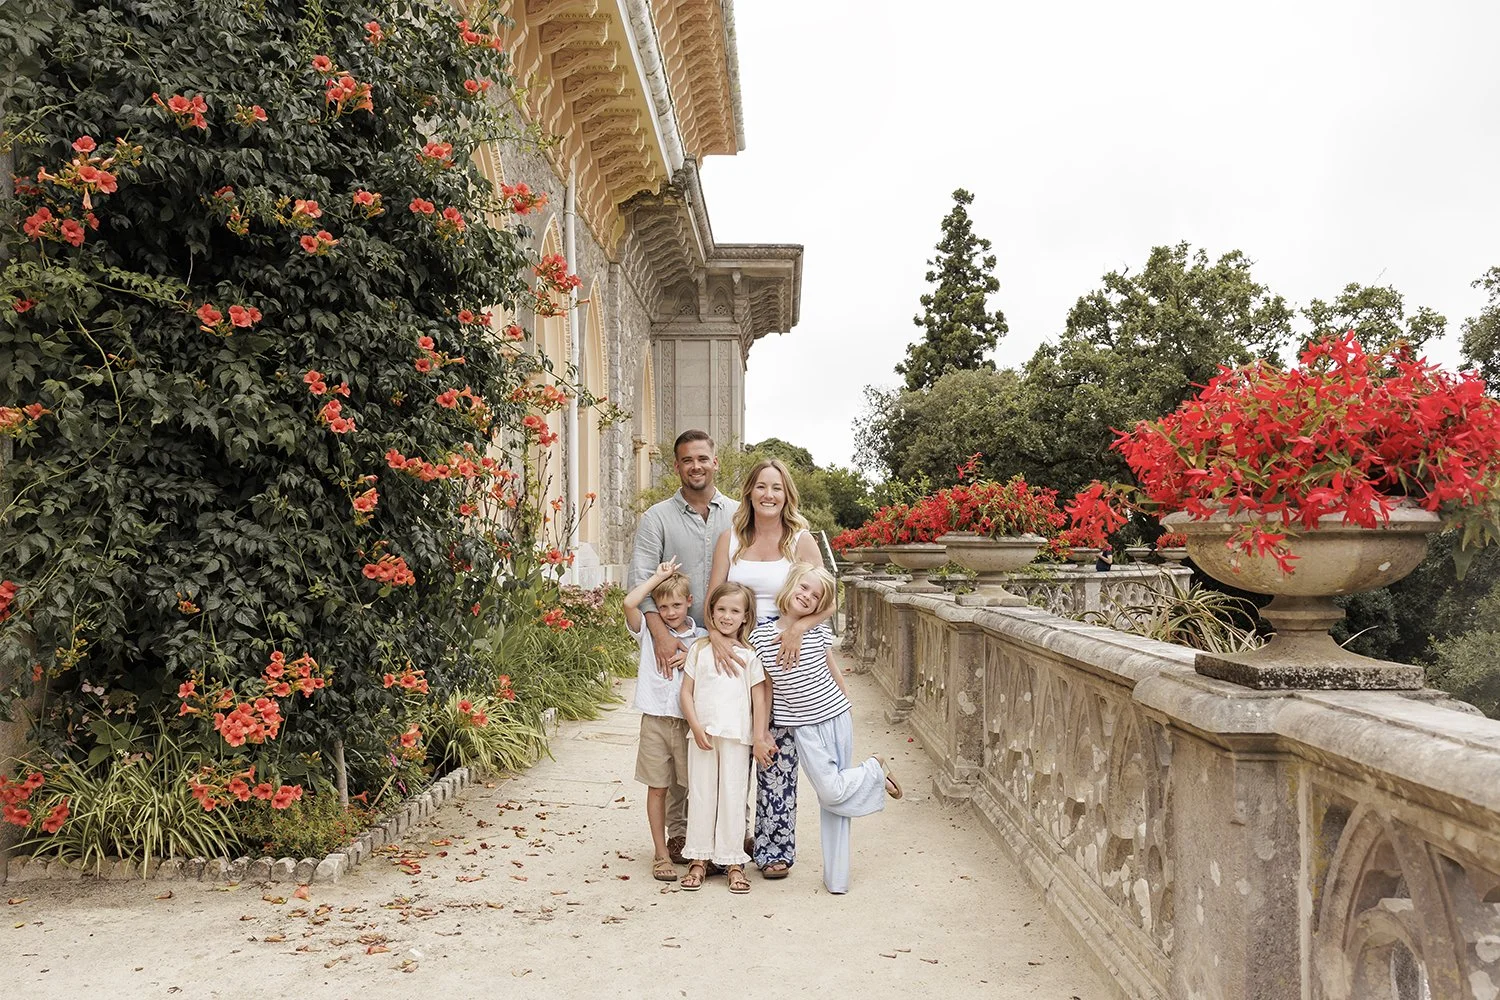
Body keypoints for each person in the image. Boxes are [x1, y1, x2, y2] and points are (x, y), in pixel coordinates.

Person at [707, 457, 831, 880]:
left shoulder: (801, 542)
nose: (769, 495)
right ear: (749, 492)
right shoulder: (730, 541)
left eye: (776, 488)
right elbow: (712, 600)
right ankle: (728, 841)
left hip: (783, 657)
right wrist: (720, 642)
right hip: (737, 656)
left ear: (786, 495)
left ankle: (775, 846)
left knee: (776, 749)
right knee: (732, 746)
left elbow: (830, 597)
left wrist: (799, 628)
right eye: (761, 486)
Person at [749, 564, 899, 895]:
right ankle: (874, 769)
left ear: (819, 606)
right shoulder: (759, 636)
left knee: (834, 804)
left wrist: (846, 708)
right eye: (803, 588)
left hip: (836, 717)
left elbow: (835, 672)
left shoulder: (816, 631)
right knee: (830, 793)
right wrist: (760, 733)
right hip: (801, 727)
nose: (807, 596)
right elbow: (766, 688)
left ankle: (837, 879)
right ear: (789, 586)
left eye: (815, 595)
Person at [627, 429, 738, 863]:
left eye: (703, 458)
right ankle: (678, 834)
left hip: (725, 643)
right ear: (677, 466)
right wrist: (661, 635)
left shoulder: (735, 514)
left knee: (725, 733)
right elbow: (641, 581)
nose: (696, 466)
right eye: (687, 459)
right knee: (677, 732)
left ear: (715, 463)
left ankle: (730, 828)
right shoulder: (657, 517)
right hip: (672, 641)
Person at [678, 582, 773, 893]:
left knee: (733, 797)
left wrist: (759, 736)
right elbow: (686, 693)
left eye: (734, 611)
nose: (727, 616)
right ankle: (699, 859)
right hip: (703, 734)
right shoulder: (699, 650)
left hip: (736, 735)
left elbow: (759, 699)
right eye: (721, 609)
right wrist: (694, 726)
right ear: (711, 612)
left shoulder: (749, 655)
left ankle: (733, 861)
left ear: (746, 616)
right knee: (702, 795)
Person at [622, 560, 705, 882]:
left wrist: (693, 655)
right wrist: (658, 578)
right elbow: (629, 602)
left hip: (688, 723)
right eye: (663, 606)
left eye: (676, 605)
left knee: (693, 788)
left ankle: (695, 849)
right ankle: (660, 854)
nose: (669, 612)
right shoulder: (647, 632)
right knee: (658, 787)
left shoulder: (701, 639)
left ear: (689, 603)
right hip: (655, 720)